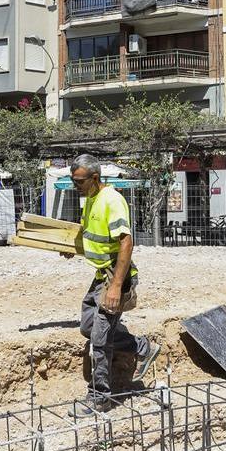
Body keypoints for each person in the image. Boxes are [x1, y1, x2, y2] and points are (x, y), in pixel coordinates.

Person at [62, 154, 160, 415]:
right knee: (88, 326)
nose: (76, 186)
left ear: (95, 178)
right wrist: (74, 248)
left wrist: (117, 286)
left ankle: (99, 397)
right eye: (73, 181)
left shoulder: (112, 200)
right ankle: (142, 347)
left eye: (79, 181)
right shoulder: (91, 199)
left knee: (99, 337)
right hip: (100, 277)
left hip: (116, 277)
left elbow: (126, 242)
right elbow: (94, 237)